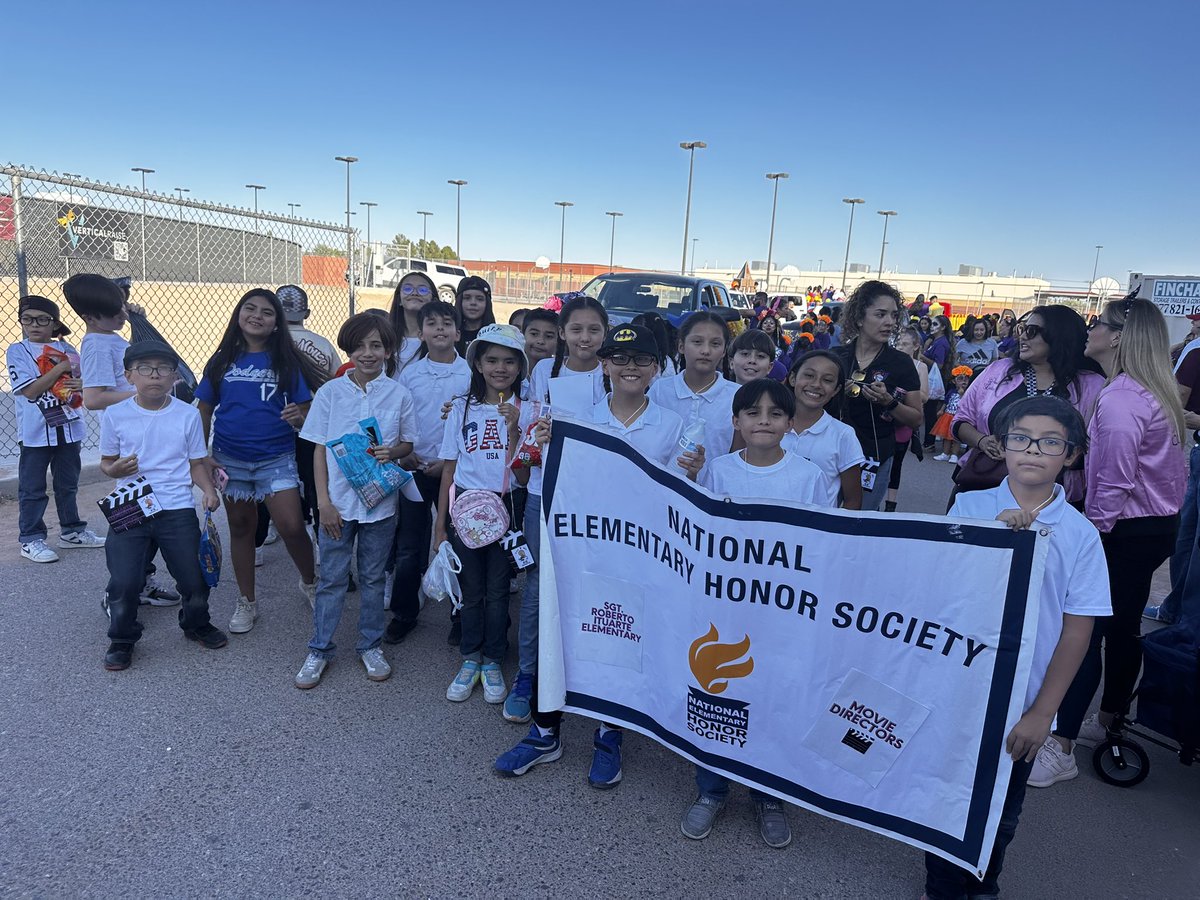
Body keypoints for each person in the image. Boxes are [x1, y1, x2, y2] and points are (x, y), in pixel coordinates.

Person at [495, 324, 702, 781]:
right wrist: (540, 443)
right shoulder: (575, 418)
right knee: (562, 635)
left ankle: (610, 732)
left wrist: (694, 472)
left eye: (641, 360)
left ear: (656, 370)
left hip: (635, 558)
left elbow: (677, 501)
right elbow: (542, 482)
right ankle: (544, 731)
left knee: (621, 642)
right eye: (620, 359)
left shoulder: (672, 426)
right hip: (579, 549)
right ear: (605, 366)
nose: (630, 368)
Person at [924, 395, 1109, 900]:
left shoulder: (1081, 535)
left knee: (1002, 813)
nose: (1033, 450)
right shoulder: (971, 506)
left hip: (1023, 702)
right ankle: (941, 889)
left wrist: (1043, 713)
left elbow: (1078, 631)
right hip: (959, 688)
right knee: (947, 799)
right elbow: (939, 591)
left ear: (1070, 455)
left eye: (1051, 442)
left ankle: (983, 888)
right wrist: (988, 539)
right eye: (1021, 438)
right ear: (1002, 445)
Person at [1033, 297, 1186, 787]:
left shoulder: (1121, 398)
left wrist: (1090, 540)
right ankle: (1111, 719)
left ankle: (1061, 746)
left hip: (1122, 528)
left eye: (1099, 323)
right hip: (1153, 525)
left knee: (1085, 631)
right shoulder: (1145, 391)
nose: (1091, 329)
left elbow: (1115, 482)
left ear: (1119, 335)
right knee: (1122, 627)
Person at [293, 314, 414, 689]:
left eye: (376, 345)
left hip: (380, 504)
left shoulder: (399, 394)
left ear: (389, 350)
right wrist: (323, 503)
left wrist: (390, 452)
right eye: (360, 346)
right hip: (338, 506)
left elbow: (408, 445)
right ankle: (319, 649)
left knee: (375, 576)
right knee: (331, 577)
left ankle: (370, 645)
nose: (368, 353)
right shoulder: (331, 393)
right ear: (348, 349)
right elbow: (317, 450)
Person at [504, 296, 609, 721]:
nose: (585, 338)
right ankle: (528, 675)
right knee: (537, 587)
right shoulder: (544, 370)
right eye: (576, 329)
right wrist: (527, 434)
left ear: (604, 334)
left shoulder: (612, 375)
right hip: (544, 494)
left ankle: (584, 679)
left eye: (594, 330)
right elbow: (530, 423)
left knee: (590, 589)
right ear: (562, 333)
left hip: (596, 500)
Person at [195, 289, 323, 634]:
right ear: (238, 314)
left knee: (292, 526)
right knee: (241, 528)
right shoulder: (222, 360)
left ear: (277, 322)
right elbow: (204, 408)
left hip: (276, 459)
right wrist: (201, 455)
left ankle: (310, 581)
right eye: (250, 308)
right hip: (229, 460)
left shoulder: (287, 362)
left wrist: (300, 414)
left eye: (267, 312)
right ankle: (247, 601)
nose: (257, 315)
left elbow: (308, 408)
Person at [98, 340, 227, 671]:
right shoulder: (116, 414)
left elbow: (197, 463)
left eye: (163, 369)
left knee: (194, 579)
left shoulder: (186, 415)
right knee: (125, 581)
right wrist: (116, 470)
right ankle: (122, 637)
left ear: (175, 377)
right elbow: (107, 462)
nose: (154, 375)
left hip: (175, 505)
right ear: (129, 376)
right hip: (131, 505)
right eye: (145, 368)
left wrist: (208, 490)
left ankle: (196, 623)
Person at [63, 274, 178, 606]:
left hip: (145, 434)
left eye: (122, 307)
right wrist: (145, 390)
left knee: (155, 513)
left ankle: (140, 580)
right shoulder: (97, 344)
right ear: (88, 316)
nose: (122, 315)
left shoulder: (110, 337)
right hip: (130, 443)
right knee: (135, 518)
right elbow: (96, 398)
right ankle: (120, 590)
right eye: (114, 312)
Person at [435, 323, 531, 705]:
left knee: (497, 591)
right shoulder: (460, 408)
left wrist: (513, 430)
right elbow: (448, 468)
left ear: (521, 367)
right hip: (468, 510)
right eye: (491, 359)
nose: (500, 368)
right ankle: (469, 658)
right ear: (477, 363)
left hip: (507, 506)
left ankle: (493, 659)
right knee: (470, 592)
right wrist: (439, 526)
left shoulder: (527, 409)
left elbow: (523, 473)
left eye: (509, 360)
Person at [951, 306, 1104, 503]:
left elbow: (1099, 449)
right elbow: (961, 420)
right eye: (1021, 329)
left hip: (1052, 501)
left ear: (1058, 335)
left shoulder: (1092, 385)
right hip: (982, 490)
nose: (1023, 337)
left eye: (1031, 331)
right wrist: (982, 441)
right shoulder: (999, 371)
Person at [386, 300, 470, 643]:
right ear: (420, 332)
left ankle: (461, 615)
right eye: (432, 324)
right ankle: (404, 613)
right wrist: (406, 454)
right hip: (416, 467)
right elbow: (401, 416)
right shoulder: (411, 373)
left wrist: (450, 462)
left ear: (458, 332)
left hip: (456, 470)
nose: (439, 329)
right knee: (409, 544)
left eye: (447, 324)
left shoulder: (469, 373)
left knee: (458, 543)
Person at [7, 294, 104, 562]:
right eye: (27, 319)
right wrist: (60, 368)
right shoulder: (18, 350)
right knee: (32, 487)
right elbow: (30, 390)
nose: (34, 325)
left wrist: (81, 383)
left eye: (42, 319)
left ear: (55, 324)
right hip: (36, 432)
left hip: (70, 427)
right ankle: (31, 539)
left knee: (68, 484)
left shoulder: (70, 350)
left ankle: (72, 531)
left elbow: (87, 383)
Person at [830, 281, 922, 511]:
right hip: (830, 452)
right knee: (823, 518)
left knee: (858, 523)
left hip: (874, 456)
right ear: (860, 318)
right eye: (880, 315)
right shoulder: (835, 356)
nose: (889, 322)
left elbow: (916, 418)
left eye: (893, 315)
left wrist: (888, 402)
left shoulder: (901, 362)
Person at [277, 284, 341, 560]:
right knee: (314, 483)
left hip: (274, 423)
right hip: (312, 423)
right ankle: (319, 542)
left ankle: (266, 532)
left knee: (275, 480)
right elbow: (336, 382)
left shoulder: (267, 342)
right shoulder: (323, 344)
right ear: (308, 312)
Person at [1150, 318, 1200, 624]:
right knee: (1188, 536)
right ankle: (1179, 612)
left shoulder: (1195, 352)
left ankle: (1184, 617)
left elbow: (1177, 400)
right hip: (1195, 450)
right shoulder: (1192, 351)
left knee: (1189, 538)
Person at [649, 312, 739, 471]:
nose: (706, 350)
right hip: (661, 489)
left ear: (724, 350)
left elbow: (738, 454)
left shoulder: (736, 396)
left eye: (715, 344)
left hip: (713, 492)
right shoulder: (660, 390)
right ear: (681, 346)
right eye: (697, 342)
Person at [783, 351, 865, 509]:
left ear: (836, 390)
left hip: (816, 530)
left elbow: (853, 500)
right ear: (793, 378)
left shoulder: (843, 435)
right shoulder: (768, 425)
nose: (816, 384)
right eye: (809, 375)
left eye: (827, 380)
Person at [884, 327, 930, 511]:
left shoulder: (920, 367)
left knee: (896, 462)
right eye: (898, 344)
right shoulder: (890, 363)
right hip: (885, 416)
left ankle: (890, 503)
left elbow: (925, 395)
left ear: (916, 346)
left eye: (905, 344)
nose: (901, 347)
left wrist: (906, 393)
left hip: (903, 419)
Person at [389, 271, 438, 373]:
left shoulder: (441, 337)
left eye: (423, 290)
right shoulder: (386, 336)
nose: (415, 293)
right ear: (399, 300)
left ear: (433, 300)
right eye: (407, 289)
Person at [932, 367, 972, 463]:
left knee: (956, 438)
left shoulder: (968, 393)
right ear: (954, 381)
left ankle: (954, 455)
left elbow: (967, 405)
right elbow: (946, 402)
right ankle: (945, 453)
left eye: (966, 379)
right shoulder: (951, 392)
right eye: (960, 379)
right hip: (948, 416)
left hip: (959, 418)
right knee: (946, 437)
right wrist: (942, 410)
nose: (963, 381)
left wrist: (962, 395)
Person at [518, 308, 559, 398]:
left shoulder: (561, 376)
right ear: (522, 335)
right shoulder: (512, 371)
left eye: (549, 336)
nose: (540, 341)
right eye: (534, 334)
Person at [453, 275, 497, 356]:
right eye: (467, 298)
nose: (473, 303)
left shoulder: (496, 336)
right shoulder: (449, 333)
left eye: (479, 299)